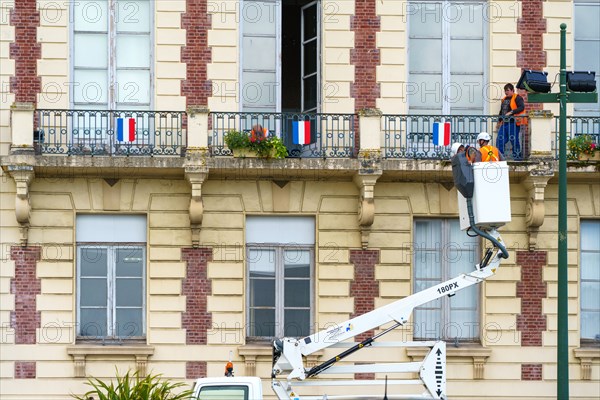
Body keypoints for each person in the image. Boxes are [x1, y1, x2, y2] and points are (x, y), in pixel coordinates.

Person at [496, 83, 526, 160]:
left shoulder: (517, 98)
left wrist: (511, 112)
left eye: (508, 91)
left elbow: (521, 107)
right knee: (500, 140)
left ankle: (517, 158)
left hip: (513, 123)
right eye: (505, 91)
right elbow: (501, 111)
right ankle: (500, 157)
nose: (506, 92)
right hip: (504, 123)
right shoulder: (504, 99)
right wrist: (499, 121)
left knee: (514, 140)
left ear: (512, 90)